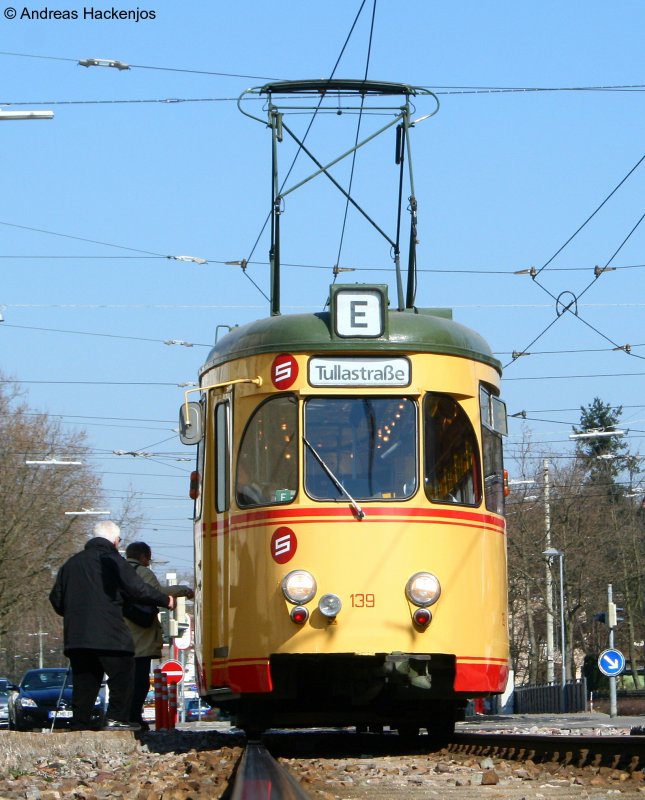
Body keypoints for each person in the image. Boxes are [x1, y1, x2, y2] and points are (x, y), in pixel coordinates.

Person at [49, 520, 175, 731]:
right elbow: (137, 589)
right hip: (110, 635)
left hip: (77, 637)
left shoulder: (70, 564)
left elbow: (56, 599)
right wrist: (164, 600)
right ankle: (117, 718)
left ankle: (80, 724)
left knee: (85, 680)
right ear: (115, 541)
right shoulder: (113, 560)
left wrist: (75, 615)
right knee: (123, 674)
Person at [123, 541, 193, 729]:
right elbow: (157, 593)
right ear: (144, 556)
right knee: (139, 681)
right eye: (149, 557)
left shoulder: (117, 570)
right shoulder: (142, 572)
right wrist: (183, 591)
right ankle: (134, 717)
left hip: (118, 637)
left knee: (123, 681)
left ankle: (124, 716)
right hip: (140, 636)